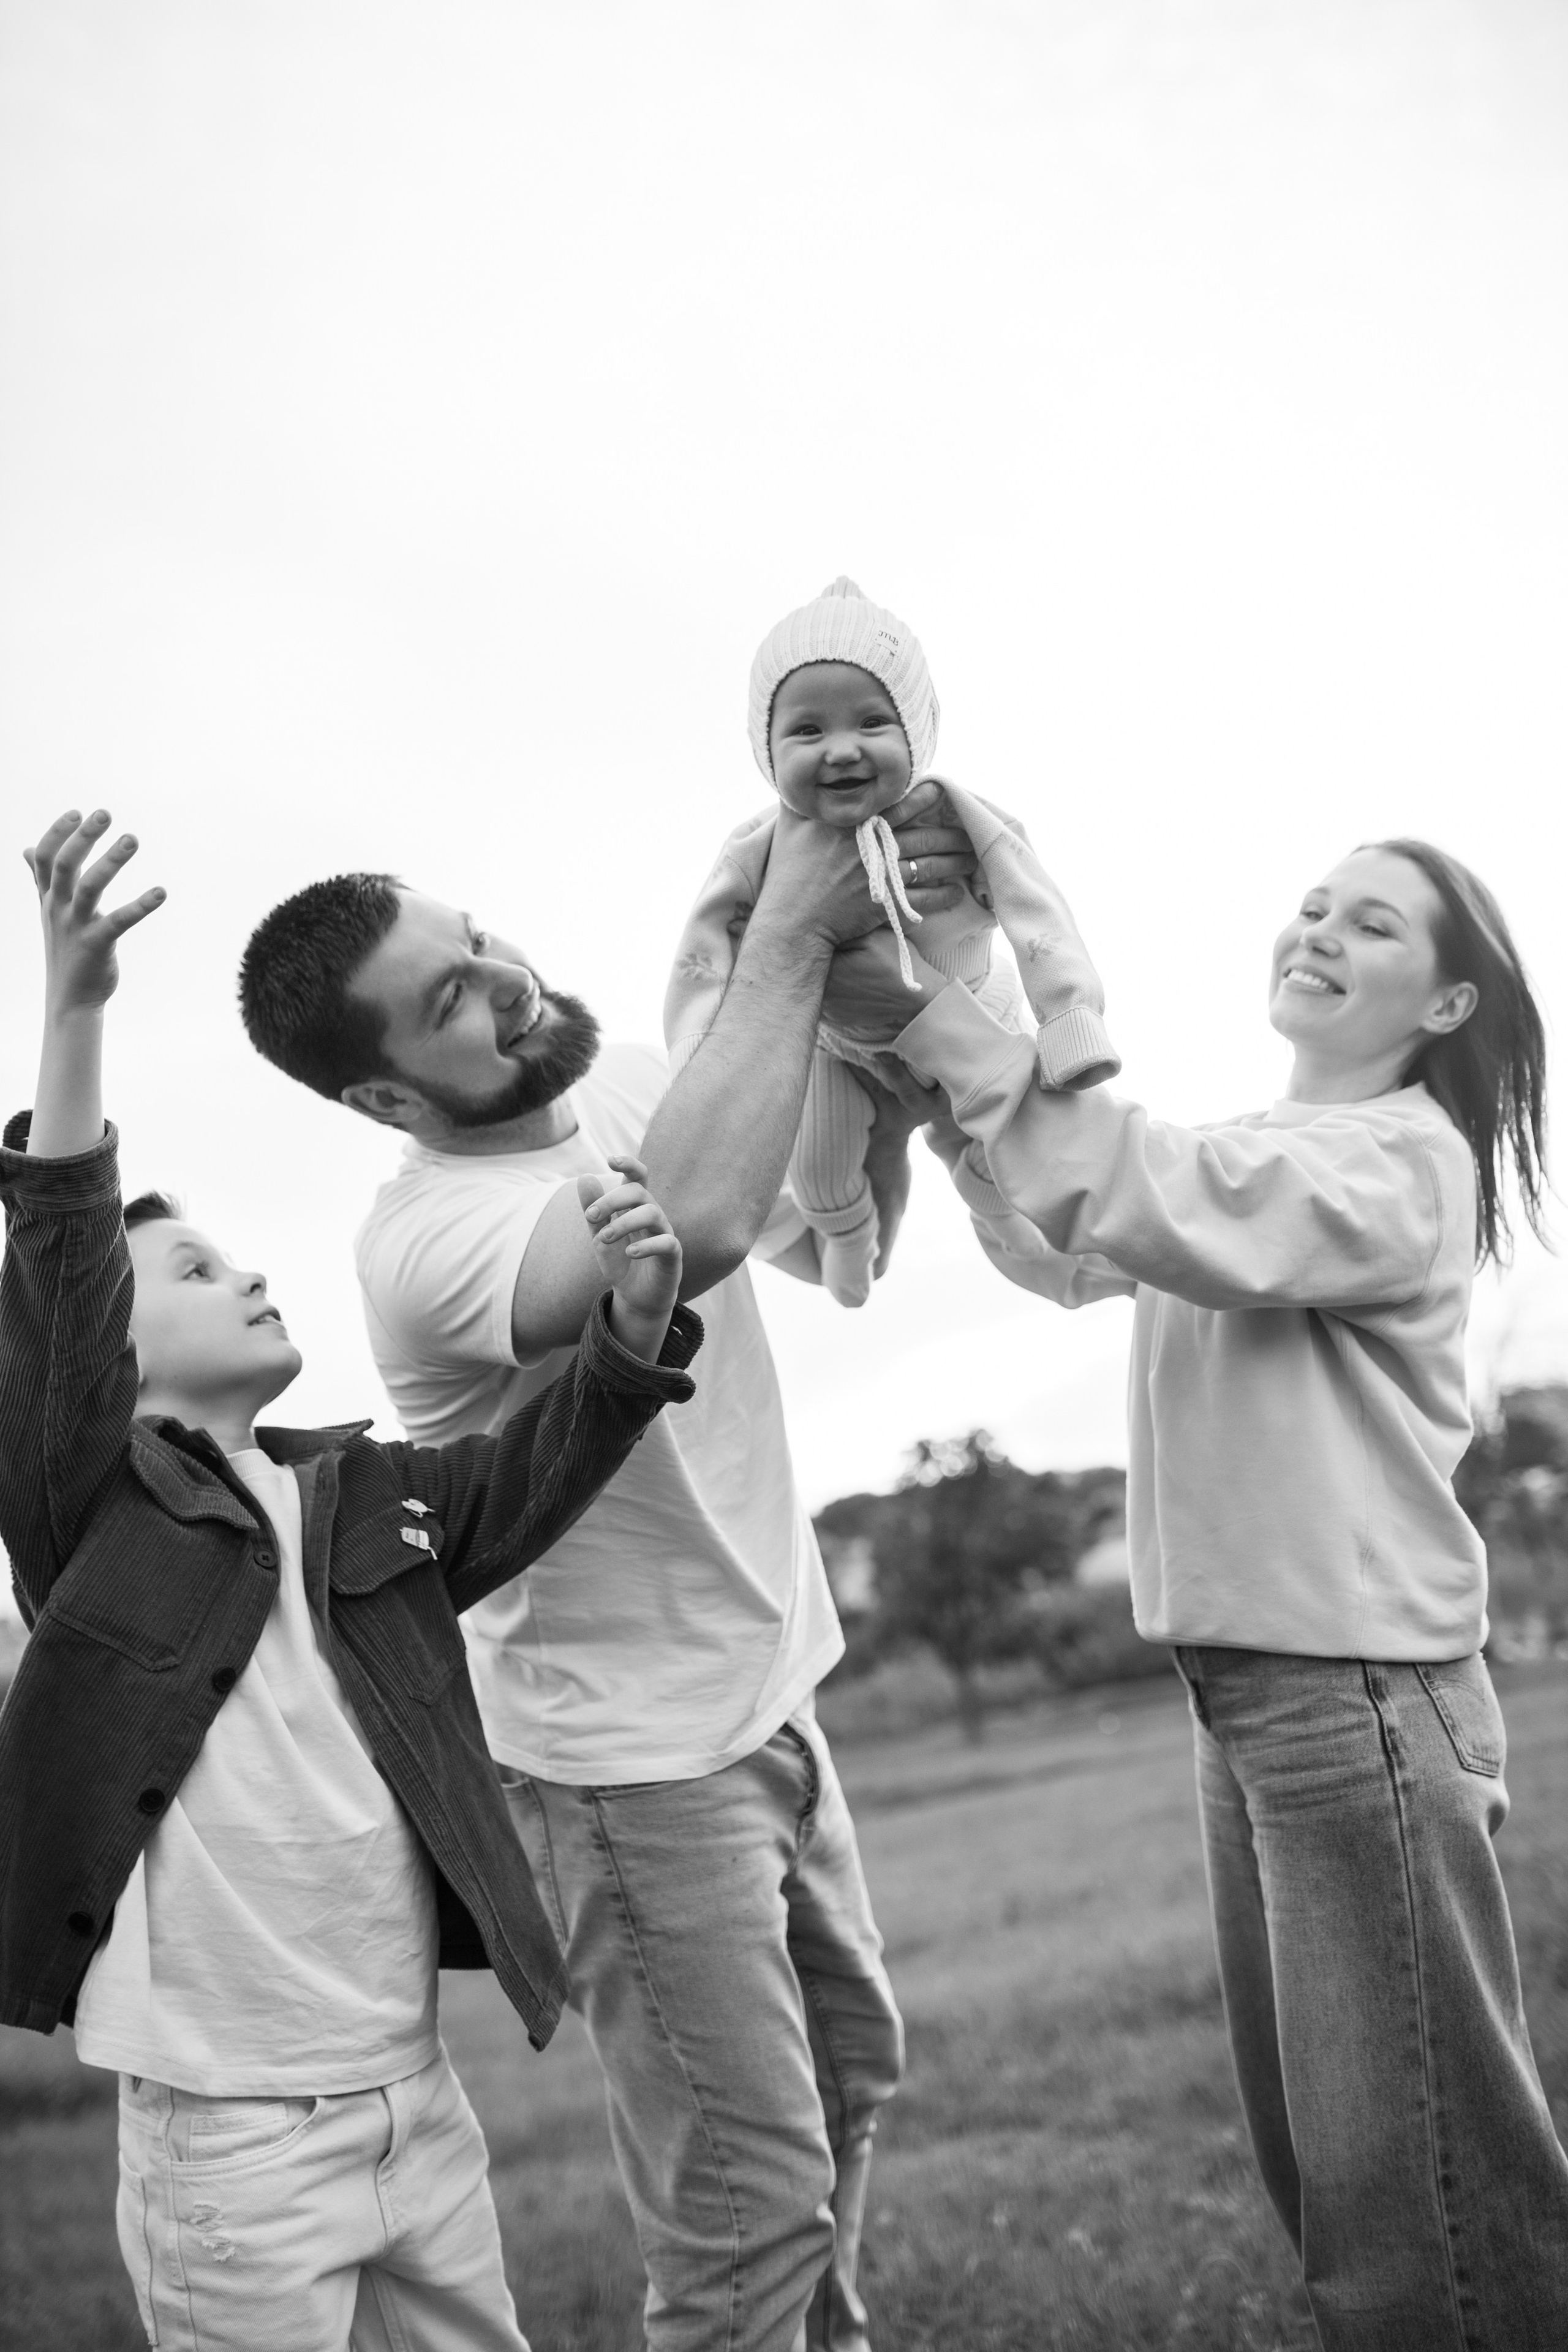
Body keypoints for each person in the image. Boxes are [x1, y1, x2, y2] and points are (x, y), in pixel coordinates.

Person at [236, 796, 974, 2352]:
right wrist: (777, 934)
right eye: (449, 999)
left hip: (770, 1694)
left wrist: (878, 1124)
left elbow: (829, 1246)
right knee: (741, 2209)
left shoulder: (642, 1084)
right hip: (634, 1781)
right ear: (382, 1089)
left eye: (475, 941)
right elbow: (694, 1227)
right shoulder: (429, 1243)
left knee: (851, 2078)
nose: (502, 977)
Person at [818, 829, 1568, 2347]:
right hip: (1253, 1700)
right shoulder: (1257, 1159)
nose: (1318, 929)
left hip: (1349, 1701)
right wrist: (959, 1106)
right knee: (1334, 2175)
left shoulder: (1392, 1162)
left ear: (1441, 1006)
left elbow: (1132, 1184)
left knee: (1416, 2202)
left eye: (1371, 925)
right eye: (1312, 903)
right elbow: (1075, 1241)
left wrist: (934, 1018)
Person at [1, 808, 703, 2352]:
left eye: (234, 1253)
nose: (247, 1270)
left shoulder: (358, 1495)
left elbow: (528, 1481)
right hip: (230, 2143)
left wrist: (635, 1328)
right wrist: (76, 1008)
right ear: (107, 1362)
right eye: (192, 1272)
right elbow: (55, 1261)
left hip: (413, 2099)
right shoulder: (91, 1515)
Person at [665, 575, 1118, 1306]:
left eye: (872, 724)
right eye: (807, 731)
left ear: (916, 733)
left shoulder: (951, 814)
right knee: (817, 1168)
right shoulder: (758, 847)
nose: (841, 750)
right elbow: (703, 953)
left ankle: (1010, 1222)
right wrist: (696, 1060)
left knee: (1006, 1155)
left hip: (975, 1005)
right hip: (835, 1044)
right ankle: (848, 1239)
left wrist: (1069, 1017)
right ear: (766, 749)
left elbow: (1033, 904)